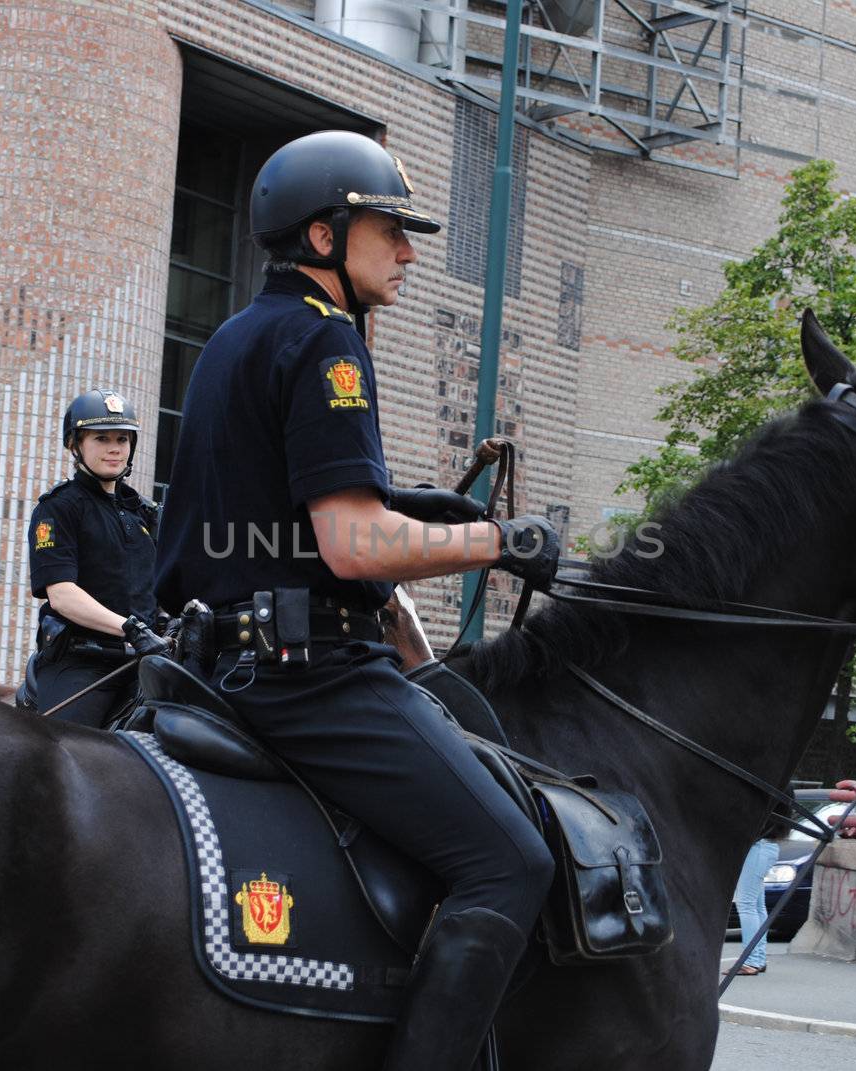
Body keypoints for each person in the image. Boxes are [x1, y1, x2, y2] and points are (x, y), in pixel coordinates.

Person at [153, 129, 561, 1071]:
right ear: (326, 237)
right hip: (309, 678)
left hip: (210, 661)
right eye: (392, 230)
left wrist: (420, 504)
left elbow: (275, 505)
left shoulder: (234, 336)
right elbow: (349, 542)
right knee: (513, 860)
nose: (410, 252)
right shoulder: (328, 342)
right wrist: (503, 541)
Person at [27, 389, 169, 728]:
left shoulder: (143, 512)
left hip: (149, 657)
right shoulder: (58, 508)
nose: (115, 448)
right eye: (101, 438)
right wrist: (130, 628)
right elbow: (61, 594)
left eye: (123, 438)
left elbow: (164, 582)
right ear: (75, 445)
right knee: (68, 751)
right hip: (83, 661)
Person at [732, 814, 785, 976]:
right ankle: (758, 958)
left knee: (746, 904)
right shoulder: (780, 794)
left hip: (757, 846)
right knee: (756, 905)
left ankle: (751, 961)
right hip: (766, 845)